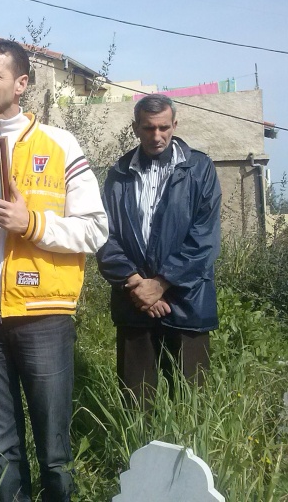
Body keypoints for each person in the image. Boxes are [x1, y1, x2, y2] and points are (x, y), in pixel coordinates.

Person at [0, 39, 108, 502]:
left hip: (43, 316)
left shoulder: (59, 144)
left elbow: (96, 230)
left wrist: (31, 223)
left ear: (21, 83)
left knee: (54, 449)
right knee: (2, 447)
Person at [96, 94, 221, 405]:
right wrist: (137, 285)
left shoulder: (199, 169)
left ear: (174, 125)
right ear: (136, 127)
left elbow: (204, 238)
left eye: (164, 127)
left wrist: (161, 283)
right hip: (134, 304)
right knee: (136, 405)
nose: (157, 136)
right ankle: (137, 455)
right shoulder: (119, 173)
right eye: (148, 128)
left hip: (188, 302)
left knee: (192, 405)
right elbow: (103, 234)